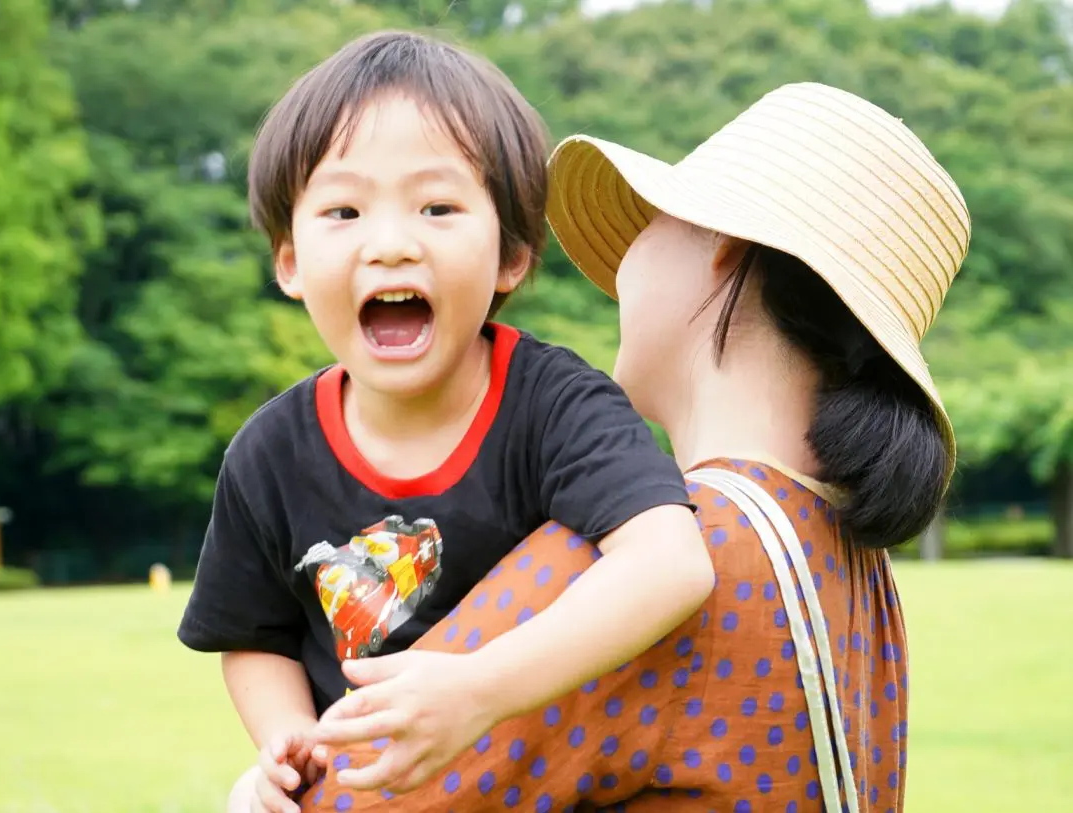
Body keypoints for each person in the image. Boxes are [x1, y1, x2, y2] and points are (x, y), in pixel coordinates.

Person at [300, 81, 969, 812]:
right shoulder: (850, 562)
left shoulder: (651, 561)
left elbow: (349, 792)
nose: (626, 260)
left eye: (651, 216)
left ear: (724, 249)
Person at [175, 29, 717, 813]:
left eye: (437, 206)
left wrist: (478, 690)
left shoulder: (557, 406)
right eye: (344, 210)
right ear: (289, 259)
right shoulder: (267, 453)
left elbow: (671, 563)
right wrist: (288, 737)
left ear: (512, 255)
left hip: (540, 783)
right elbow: (253, 636)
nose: (391, 245)